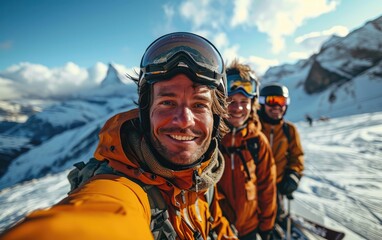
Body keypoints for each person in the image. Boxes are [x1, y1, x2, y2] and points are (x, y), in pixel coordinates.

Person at [0, 32, 238, 240]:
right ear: (145, 113)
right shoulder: (121, 186)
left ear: (216, 117)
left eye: (199, 105)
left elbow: (216, 225)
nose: (184, 120)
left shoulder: (203, 176)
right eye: (167, 102)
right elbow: (102, 214)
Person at [217, 60, 277, 240]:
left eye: (244, 101)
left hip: (249, 228)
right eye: (231, 101)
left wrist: (267, 227)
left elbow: (267, 187)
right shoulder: (210, 140)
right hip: (218, 230)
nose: (238, 108)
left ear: (253, 104)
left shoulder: (257, 141)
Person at [257, 83, 304, 232]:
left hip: (276, 185)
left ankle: (279, 220)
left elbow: (297, 156)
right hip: (252, 185)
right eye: (272, 101)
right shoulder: (253, 126)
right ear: (262, 102)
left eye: (282, 101)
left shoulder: (289, 130)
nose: (277, 106)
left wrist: (293, 174)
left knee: (274, 214)